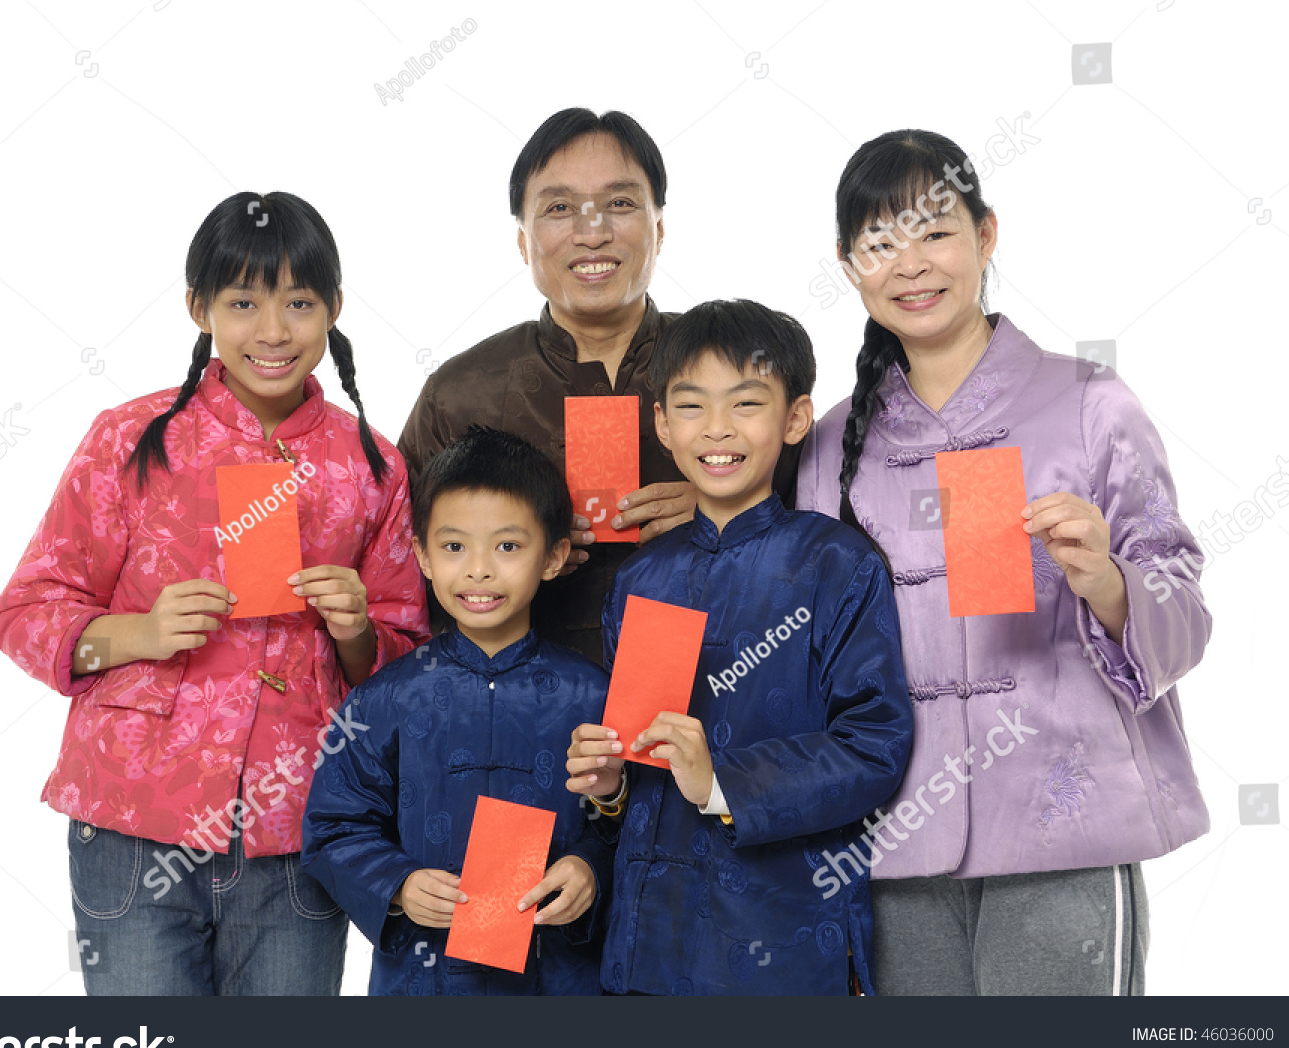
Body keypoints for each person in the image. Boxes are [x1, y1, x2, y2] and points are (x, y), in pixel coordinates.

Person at [797, 129, 1212, 995]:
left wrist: (1108, 580)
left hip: (1069, 819)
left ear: (987, 236)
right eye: (880, 241)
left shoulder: (1091, 403)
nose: (911, 263)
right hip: (896, 834)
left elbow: (1184, 604)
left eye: (936, 232)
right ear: (847, 264)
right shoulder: (829, 443)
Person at [0, 192, 428, 995]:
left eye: (299, 303)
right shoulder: (132, 439)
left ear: (334, 306)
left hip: (298, 825)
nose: (273, 331)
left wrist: (359, 630)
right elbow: (24, 610)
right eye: (242, 302)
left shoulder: (373, 468)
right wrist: (135, 634)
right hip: (133, 824)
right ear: (199, 308)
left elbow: (410, 666)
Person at [567, 299, 914, 994]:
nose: (717, 430)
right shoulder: (640, 578)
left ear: (794, 419)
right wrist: (607, 790)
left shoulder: (837, 564)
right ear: (662, 423)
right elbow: (635, 761)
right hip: (650, 941)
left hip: (786, 935)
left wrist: (722, 780)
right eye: (691, 406)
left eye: (745, 403)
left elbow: (875, 743)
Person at [398, 107, 801, 664]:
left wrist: (732, 506)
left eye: (620, 203)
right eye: (560, 208)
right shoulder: (462, 393)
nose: (593, 232)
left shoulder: (742, 367)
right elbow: (403, 577)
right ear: (523, 240)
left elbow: (820, 533)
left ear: (659, 229)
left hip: (722, 699)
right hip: (521, 716)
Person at [302, 426, 611, 994]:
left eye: (508, 547)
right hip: (424, 979)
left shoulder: (593, 694)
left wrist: (590, 868)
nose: (479, 570)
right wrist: (397, 884)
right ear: (420, 554)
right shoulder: (384, 696)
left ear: (554, 556)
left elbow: (633, 817)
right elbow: (332, 826)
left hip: (562, 977)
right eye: (453, 546)